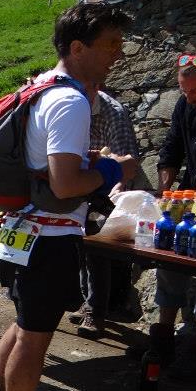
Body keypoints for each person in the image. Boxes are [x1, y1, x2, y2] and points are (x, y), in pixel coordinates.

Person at [0, 3, 136, 391]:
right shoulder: (71, 101)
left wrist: (86, 158)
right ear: (78, 47)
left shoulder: (39, 88)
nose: (118, 55)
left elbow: (43, 161)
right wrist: (111, 169)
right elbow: (66, 184)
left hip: (21, 229)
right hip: (50, 236)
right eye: (110, 45)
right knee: (36, 333)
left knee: (23, 320)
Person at [150, 46, 196, 379]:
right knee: (168, 257)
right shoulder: (186, 104)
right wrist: (166, 187)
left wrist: (194, 199)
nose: (189, 96)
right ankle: (163, 334)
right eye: (184, 90)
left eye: (195, 90)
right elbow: (173, 144)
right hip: (190, 193)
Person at [71, 88, 140, 337]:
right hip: (77, 184)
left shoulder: (112, 113)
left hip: (105, 188)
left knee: (96, 248)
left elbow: (127, 159)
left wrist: (114, 185)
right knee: (80, 247)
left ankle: (96, 311)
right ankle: (87, 300)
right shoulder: (69, 106)